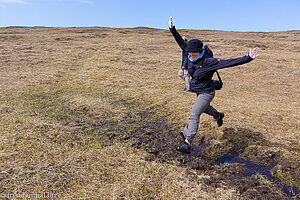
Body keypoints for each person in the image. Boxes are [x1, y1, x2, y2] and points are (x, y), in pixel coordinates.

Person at [168, 17, 260, 153]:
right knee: (204, 109)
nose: (191, 56)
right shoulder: (188, 53)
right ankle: (218, 115)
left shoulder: (208, 62)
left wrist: (248, 57)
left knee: (194, 114)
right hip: (198, 90)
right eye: (190, 54)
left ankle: (187, 142)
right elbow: (180, 42)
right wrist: (172, 29)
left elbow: (229, 62)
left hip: (207, 92)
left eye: (194, 54)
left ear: (200, 52)